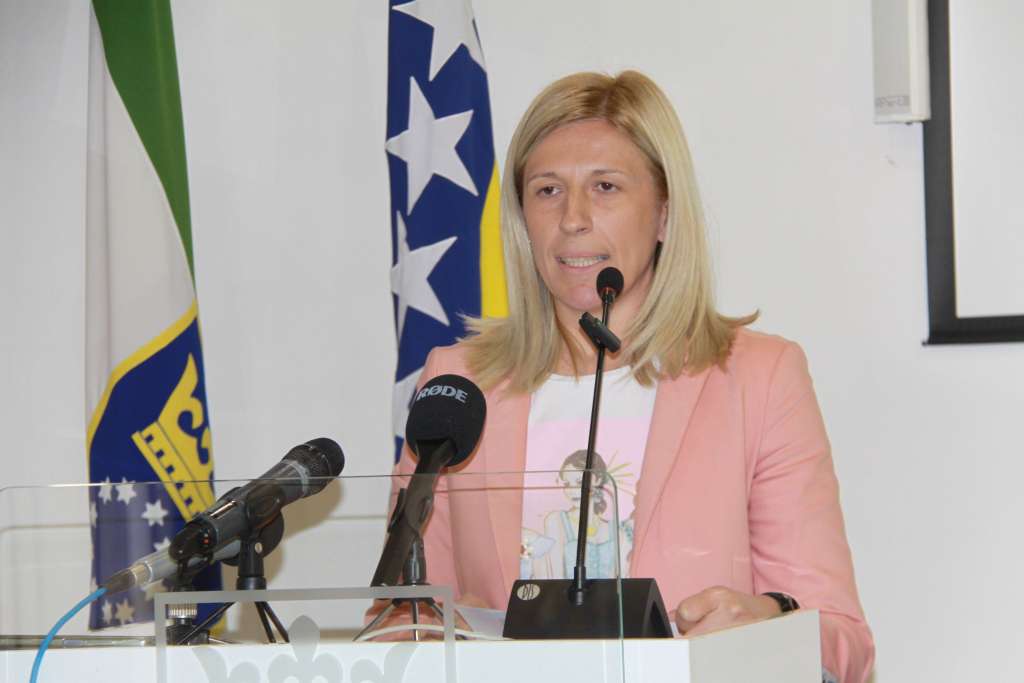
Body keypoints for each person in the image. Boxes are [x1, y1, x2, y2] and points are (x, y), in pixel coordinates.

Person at [390, 70, 874, 682]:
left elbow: (842, 641)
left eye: (606, 187)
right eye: (547, 190)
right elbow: (400, 615)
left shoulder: (758, 378)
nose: (573, 218)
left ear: (665, 214)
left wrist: (768, 626)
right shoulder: (459, 385)